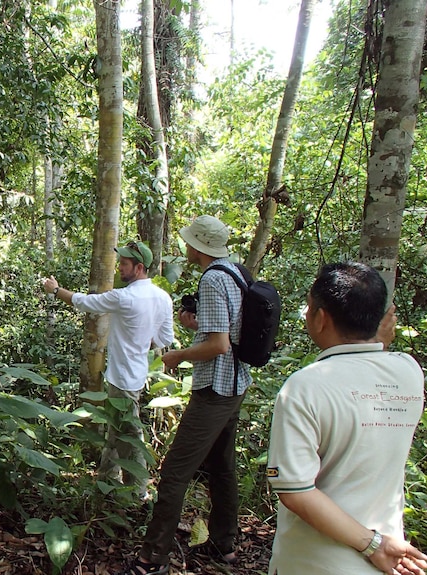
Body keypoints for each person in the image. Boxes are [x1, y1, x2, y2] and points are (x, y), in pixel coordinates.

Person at [266, 262, 427, 575]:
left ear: (321, 318)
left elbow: (296, 492)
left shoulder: (304, 387)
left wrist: (372, 544)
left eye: (310, 308)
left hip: (314, 562)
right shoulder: (409, 371)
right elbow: (368, 373)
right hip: (388, 558)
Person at [118, 215, 250, 575]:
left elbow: (219, 345)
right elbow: (228, 331)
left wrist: (177, 355)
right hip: (237, 384)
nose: (186, 246)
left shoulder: (212, 279)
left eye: (190, 241)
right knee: (222, 467)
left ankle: (152, 559)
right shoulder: (234, 272)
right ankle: (224, 545)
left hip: (215, 388)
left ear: (200, 247)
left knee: (174, 473)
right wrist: (196, 327)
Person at [42, 240, 174, 500]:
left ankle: (138, 492)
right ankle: (106, 480)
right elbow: (164, 338)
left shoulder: (125, 297)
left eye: (124, 264)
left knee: (129, 435)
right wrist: (138, 343)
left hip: (122, 378)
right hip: (134, 375)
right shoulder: (162, 297)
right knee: (117, 430)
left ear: (139, 268)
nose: (120, 269)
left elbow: (85, 303)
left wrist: (55, 290)